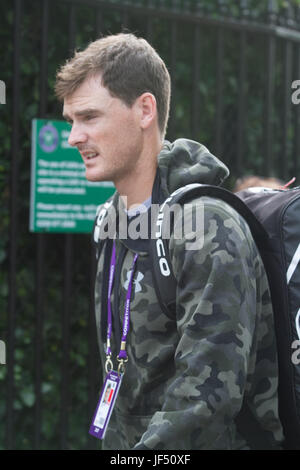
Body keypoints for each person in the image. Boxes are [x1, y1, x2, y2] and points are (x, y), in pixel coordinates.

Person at [55, 33, 284, 450]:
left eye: (89, 117)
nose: (73, 136)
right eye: (71, 120)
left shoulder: (208, 228)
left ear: (144, 109)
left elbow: (206, 402)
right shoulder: (110, 220)